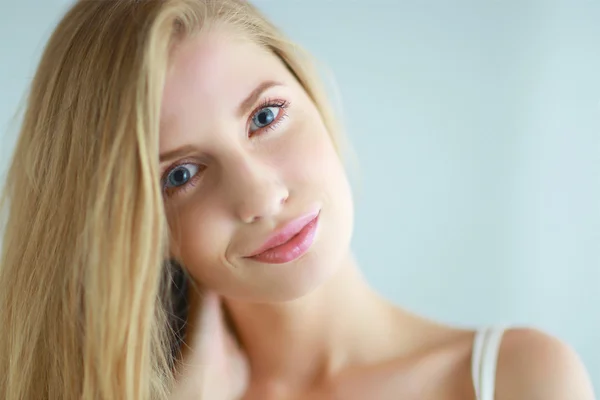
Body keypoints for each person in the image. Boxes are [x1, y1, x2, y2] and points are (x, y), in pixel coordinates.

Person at [0, 1, 595, 399]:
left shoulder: (518, 377)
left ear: (313, 94)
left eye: (265, 115)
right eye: (180, 174)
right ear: (136, 225)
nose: (260, 194)